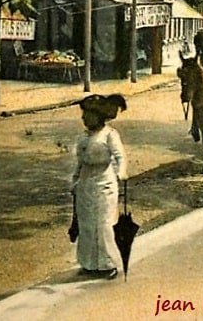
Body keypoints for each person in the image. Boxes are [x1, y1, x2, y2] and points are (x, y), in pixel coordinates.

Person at [71, 93, 128, 279]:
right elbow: (80, 163)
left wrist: (121, 173)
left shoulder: (109, 134)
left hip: (105, 182)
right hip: (86, 184)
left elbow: (120, 157)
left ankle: (108, 264)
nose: (83, 118)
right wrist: (75, 180)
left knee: (104, 224)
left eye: (87, 114)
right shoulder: (84, 137)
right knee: (86, 224)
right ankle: (88, 263)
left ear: (98, 115)